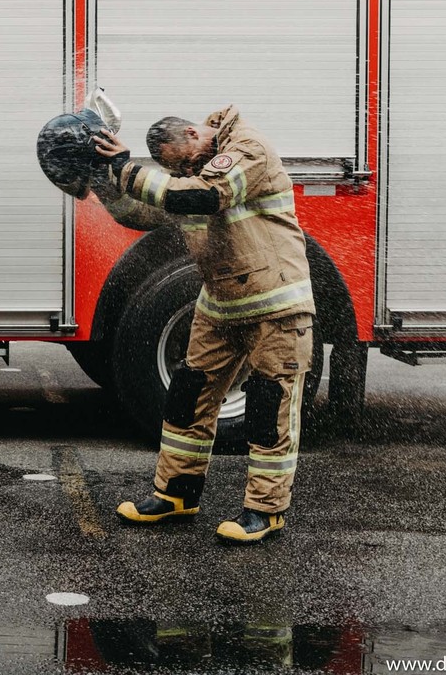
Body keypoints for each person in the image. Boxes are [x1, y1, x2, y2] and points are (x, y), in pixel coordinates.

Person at [93, 106, 313, 544]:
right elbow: (146, 211)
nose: (185, 169)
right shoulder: (198, 170)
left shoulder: (247, 149)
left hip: (275, 306)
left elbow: (200, 196)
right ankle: (176, 495)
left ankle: (264, 512)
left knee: (268, 409)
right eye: (177, 168)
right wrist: (103, 181)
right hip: (220, 305)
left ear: (194, 133)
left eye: (185, 160)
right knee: (186, 399)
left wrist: (126, 166)